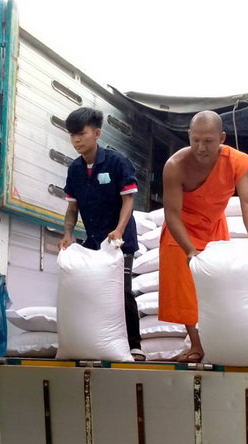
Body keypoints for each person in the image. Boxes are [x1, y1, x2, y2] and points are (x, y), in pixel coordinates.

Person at [158, 110, 248, 363]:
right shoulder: (175, 165)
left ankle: (219, 342)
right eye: (195, 140)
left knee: (218, 288)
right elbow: (171, 214)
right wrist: (189, 250)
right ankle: (197, 346)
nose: (201, 148)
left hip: (214, 226)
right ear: (189, 135)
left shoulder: (238, 161)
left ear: (222, 138)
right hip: (180, 231)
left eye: (208, 141)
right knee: (185, 290)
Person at [58, 107, 145, 360]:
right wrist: (67, 233)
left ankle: (134, 344)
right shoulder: (75, 170)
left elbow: (128, 200)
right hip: (94, 241)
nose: (76, 140)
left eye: (81, 134)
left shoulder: (117, 162)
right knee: (91, 290)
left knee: (122, 290)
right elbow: (72, 208)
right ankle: (95, 341)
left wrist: (118, 230)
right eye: (72, 135)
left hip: (120, 241)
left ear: (96, 133)